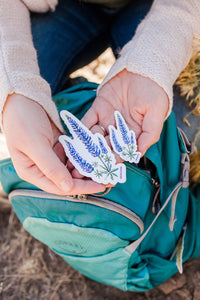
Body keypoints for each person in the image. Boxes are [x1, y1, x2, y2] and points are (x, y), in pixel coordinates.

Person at [1, 0, 200, 195]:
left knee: (176, 133)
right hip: (62, 6)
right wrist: (15, 89)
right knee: (27, 102)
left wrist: (154, 64)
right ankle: (78, 96)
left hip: (160, 6)